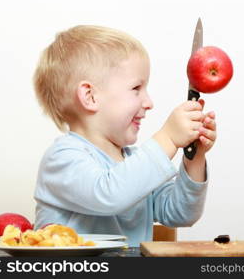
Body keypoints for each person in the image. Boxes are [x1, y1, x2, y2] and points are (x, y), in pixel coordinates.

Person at [33, 25, 217, 246]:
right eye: (136, 88)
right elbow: (110, 194)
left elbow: (180, 213)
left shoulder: (135, 163)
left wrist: (194, 156)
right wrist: (168, 139)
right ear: (90, 96)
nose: (149, 103)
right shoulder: (62, 159)